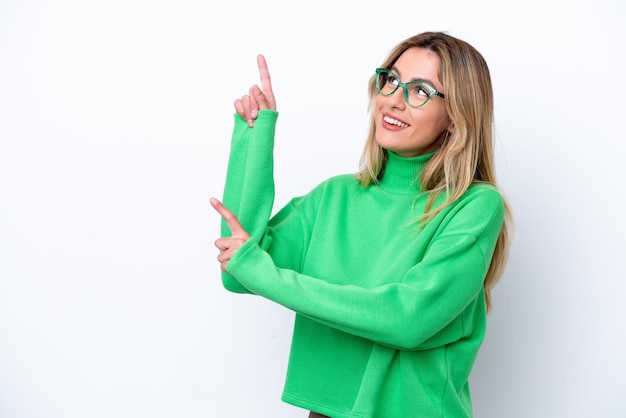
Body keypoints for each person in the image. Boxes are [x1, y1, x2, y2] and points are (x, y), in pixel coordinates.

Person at [211, 31, 513, 418]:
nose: (395, 99)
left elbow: (408, 319)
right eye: (392, 80)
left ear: (456, 116)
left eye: (420, 91)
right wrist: (254, 139)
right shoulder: (334, 197)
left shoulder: (473, 206)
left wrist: (261, 272)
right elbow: (238, 272)